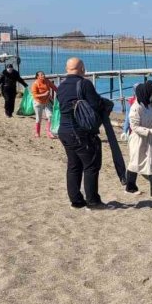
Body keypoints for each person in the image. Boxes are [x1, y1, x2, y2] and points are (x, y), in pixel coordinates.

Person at [56, 58, 108, 210]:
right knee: (91, 165)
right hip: (80, 132)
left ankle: (76, 201)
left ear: (67, 69)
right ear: (83, 69)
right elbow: (95, 105)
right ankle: (92, 201)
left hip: (64, 131)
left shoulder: (61, 86)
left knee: (73, 165)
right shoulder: (84, 84)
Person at [125, 83, 152, 201]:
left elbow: (151, 119)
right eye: (151, 93)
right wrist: (150, 131)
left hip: (149, 138)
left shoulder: (148, 106)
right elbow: (134, 126)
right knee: (135, 163)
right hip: (138, 139)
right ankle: (130, 187)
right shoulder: (135, 107)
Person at [30, 71, 57, 139]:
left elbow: (54, 87)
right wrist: (44, 94)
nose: (43, 75)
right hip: (38, 102)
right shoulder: (35, 84)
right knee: (38, 118)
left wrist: (61, 93)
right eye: (41, 75)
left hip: (47, 101)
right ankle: (37, 133)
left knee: (50, 116)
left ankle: (49, 132)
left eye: (44, 74)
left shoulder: (47, 81)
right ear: (37, 76)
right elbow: (35, 95)